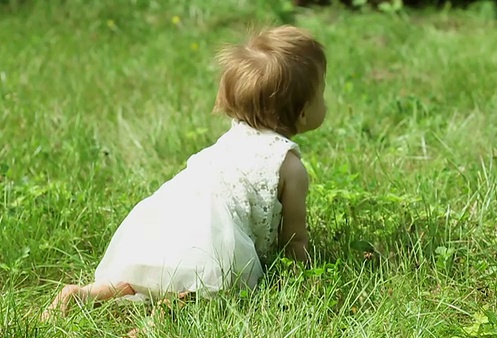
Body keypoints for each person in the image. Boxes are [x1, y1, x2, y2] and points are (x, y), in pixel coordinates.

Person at [42, 25, 327, 320]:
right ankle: (163, 318)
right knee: (211, 292)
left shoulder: (235, 136)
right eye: (322, 94)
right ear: (303, 112)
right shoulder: (289, 166)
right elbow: (294, 240)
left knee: (152, 277)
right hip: (214, 235)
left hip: (171, 213)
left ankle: (90, 293)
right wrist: (302, 280)